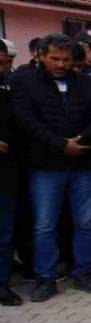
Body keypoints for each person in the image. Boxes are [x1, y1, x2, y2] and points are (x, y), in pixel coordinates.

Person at [10, 33, 91, 302]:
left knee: (86, 222)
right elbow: (25, 121)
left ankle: (83, 272)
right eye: (54, 58)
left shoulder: (87, 84)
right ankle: (46, 277)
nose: (60, 64)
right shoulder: (24, 82)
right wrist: (59, 144)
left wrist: (81, 142)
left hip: (83, 162)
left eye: (66, 59)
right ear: (41, 56)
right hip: (45, 165)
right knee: (44, 225)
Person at [0, 40, 20, 305]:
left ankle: (2, 284)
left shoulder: (11, 87)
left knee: (4, 234)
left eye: (5, 62)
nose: (3, 67)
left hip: (6, 170)